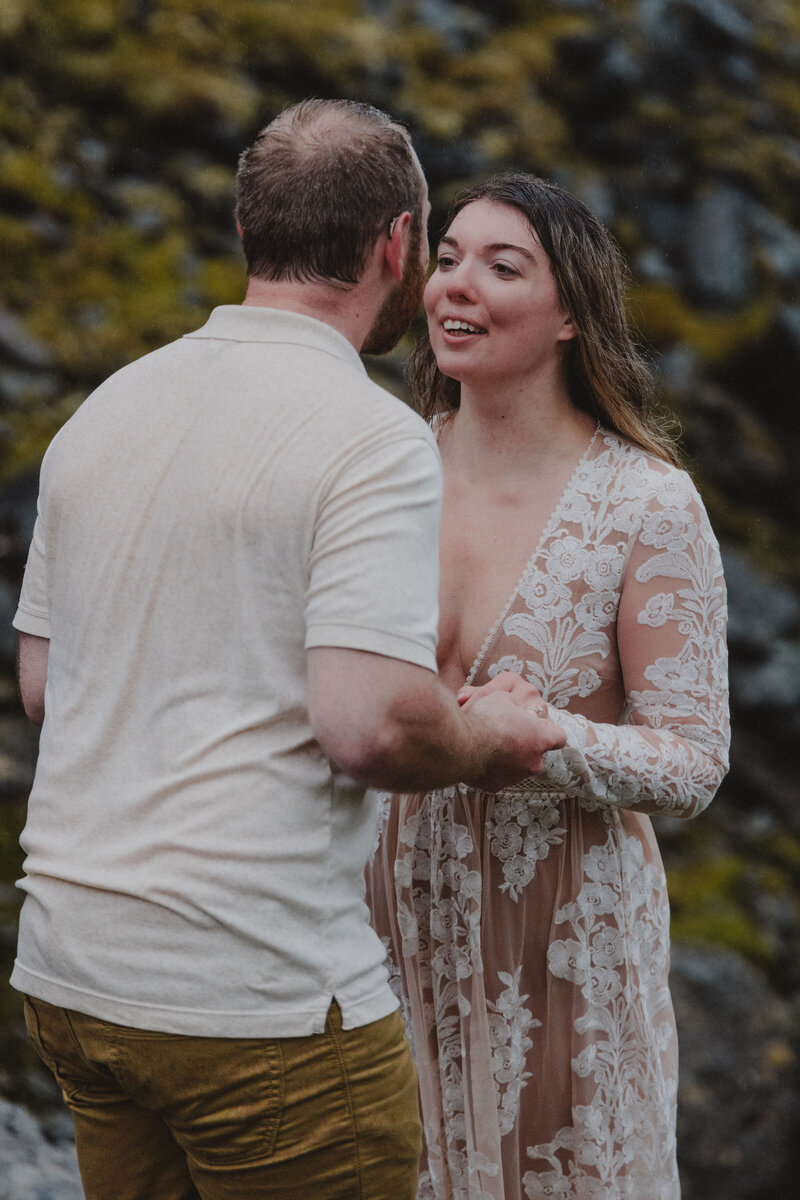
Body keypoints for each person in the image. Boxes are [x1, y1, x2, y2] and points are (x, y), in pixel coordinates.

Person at [10, 107, 566, 1200]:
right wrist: (486, 737)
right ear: (396, 244)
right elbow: (368, 726)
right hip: (254, 997)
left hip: (73, 972)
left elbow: (43, 686)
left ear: (246, 230)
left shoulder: (109, 407)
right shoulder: (369, 437)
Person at [365, 172, 730, 1200]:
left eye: (501, 267)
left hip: (564, 955)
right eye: (446, 260)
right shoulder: (380, 470)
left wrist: (553, 738)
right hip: (378, 941)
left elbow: (694, 761)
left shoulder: (647, 504)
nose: (456, 286)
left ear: (570, 314)